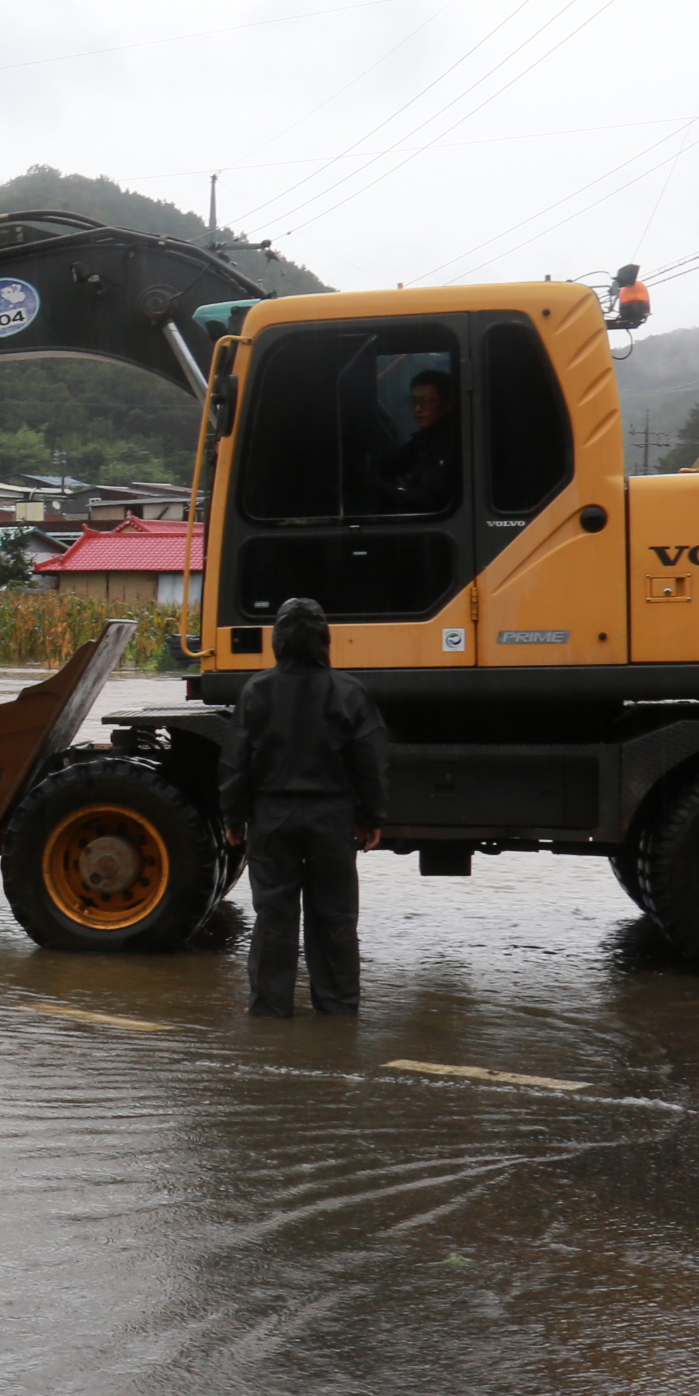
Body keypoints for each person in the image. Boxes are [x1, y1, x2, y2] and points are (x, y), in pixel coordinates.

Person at [220, 598, 391, 1019]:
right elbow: (370, 760)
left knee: (274, 915)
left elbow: (235, 761)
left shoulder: (256, 690)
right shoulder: (349, 691)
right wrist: (372, 817)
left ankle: (270, 1010)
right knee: (334, 915)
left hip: (272, 816)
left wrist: (233, 818)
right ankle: (337, 1010)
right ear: (324, 640)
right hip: (331, 818)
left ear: (277, 640)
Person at [374, 367, 460, 513]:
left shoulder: (449, 444)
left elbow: (425, 499)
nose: (418, 409)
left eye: (426, 401)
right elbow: (391, 462)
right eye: (414, 402)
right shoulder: (426, 439)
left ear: (448, 404)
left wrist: (377, 488)